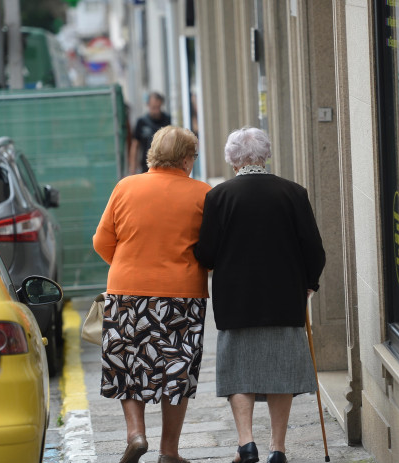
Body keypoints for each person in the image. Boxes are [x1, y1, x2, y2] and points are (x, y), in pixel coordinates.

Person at [193, 127, 326, 463]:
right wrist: (309, 282)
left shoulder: (218, 197)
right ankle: (277, 448)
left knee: (239, 371)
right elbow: (314, 248)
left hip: (236, 300)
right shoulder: (293, 193)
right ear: (265, 154)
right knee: (281, 372)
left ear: (233, 159)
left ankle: (246, 443)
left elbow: (206, 254)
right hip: (284, 298)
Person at [93, 126, 211, 463]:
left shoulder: (125, 187)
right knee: (177, 369)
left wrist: (131, 264)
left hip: (127, 290)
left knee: (128, 363)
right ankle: (169, 452)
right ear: (187, 158)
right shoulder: (202, 193)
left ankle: (136, 434)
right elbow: (212, 248)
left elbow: (102, 241)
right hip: (182, 295)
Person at [129, 92, 171, 175]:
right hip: (146, 167)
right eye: (154, 107)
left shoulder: (167, 120)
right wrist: (133, 168)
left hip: (165, 167)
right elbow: (135, 146)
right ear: (148, 105)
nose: (157, 111)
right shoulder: (141, 122)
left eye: (158, 107)